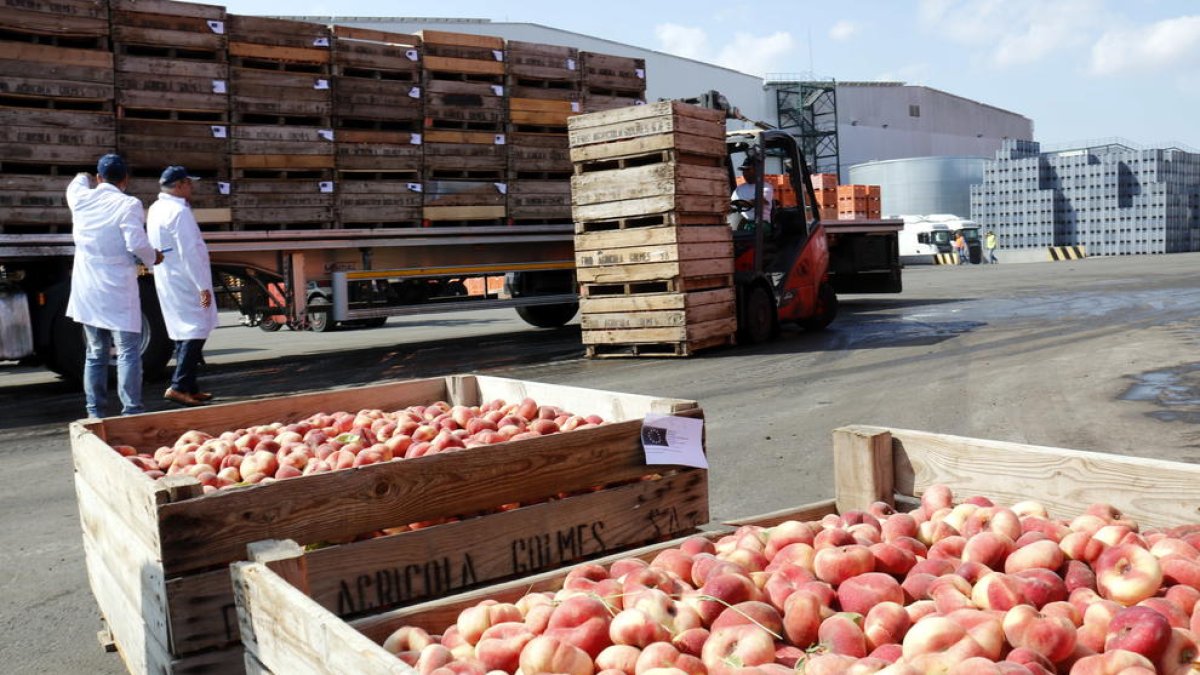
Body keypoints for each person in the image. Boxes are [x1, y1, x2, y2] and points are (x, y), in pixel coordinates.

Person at [65, 154, 162, 418]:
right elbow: (136, 244)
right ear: (125, 180)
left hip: (87, 287)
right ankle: (131, 410)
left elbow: (75, 183)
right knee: (128, 352)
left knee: (95, 353)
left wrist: (84, 176)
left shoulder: (80, 198)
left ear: (98, 178)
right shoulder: (128, 204)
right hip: (117, 287)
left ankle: (95, 412)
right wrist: (153, 257)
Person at [148, 166, 218, 407]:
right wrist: (202, 287)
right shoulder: (179, 213)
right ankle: (178, 386)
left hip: (170, 277)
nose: (192, 187)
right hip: (186, 278)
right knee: (196, 329)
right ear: (178, 185)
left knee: (183, 330)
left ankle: (190, 386)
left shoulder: (158, 208)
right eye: (189, 183)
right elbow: (189, 253)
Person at [730, 158, 774, 232]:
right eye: (743, 170)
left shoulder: (765, 187)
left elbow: (758, 201)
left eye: (748, 170)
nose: (745, 173)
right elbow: (731, 203)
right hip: (742, 222)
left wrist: (741, 204)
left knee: (749, 229)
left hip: (760, 223)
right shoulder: (739, 188)